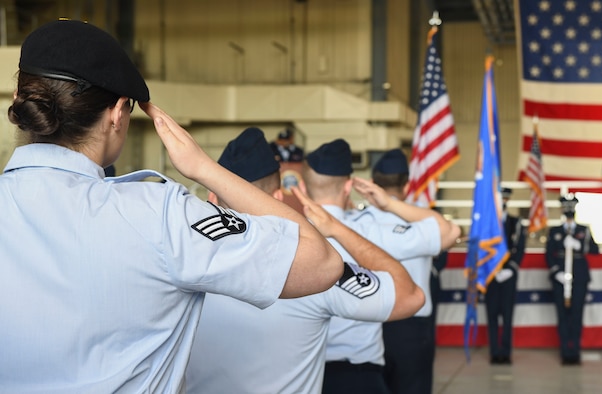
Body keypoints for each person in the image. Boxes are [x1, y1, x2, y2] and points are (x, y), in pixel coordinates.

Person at [0, 19, 343, 393]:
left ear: (22, 101)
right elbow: (321, 262)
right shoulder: (157, 215)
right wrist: (203, 168)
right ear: (117, 115)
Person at [187, 127, 424, 394]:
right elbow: (410, 296)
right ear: (277, 198)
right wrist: (338, 229)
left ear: (212, 197)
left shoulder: (181, 262)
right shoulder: (311, 268)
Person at [300, 140, 460, 394]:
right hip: (362, 364)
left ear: (301, 186)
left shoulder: (285, 232)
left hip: (305, 370)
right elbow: (449, 231)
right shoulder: (366, 231)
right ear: (349, 187)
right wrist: (388, 204)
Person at [347, 148, 460, 394]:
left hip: (370, 321)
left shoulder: (356, 220)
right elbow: (449, 241)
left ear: (373, 183)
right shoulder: (423, 219)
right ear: (407, 184)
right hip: (413, 325)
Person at [545, 194, 599, 365]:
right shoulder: (555, 231)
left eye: (571, 208)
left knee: (577, 315)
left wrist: (579, 245)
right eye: (565, 208)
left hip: (579, 277)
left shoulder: (584, 230)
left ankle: (575, 351)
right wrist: (556, 272)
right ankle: (564, 351)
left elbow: (596, 250)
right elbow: (548, 255)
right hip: (561, 277)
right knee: (562, 315)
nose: (568, 211)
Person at [485, 187, 527, 365]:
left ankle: (506, 352)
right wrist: (491, 269)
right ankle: (494, 352)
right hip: (491, 274)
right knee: (492, 315)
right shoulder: (487, 222)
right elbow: (482, 247)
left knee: (508, 316)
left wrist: (511, 267)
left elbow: (520, 246)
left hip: (509, 274)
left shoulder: (515, 222)